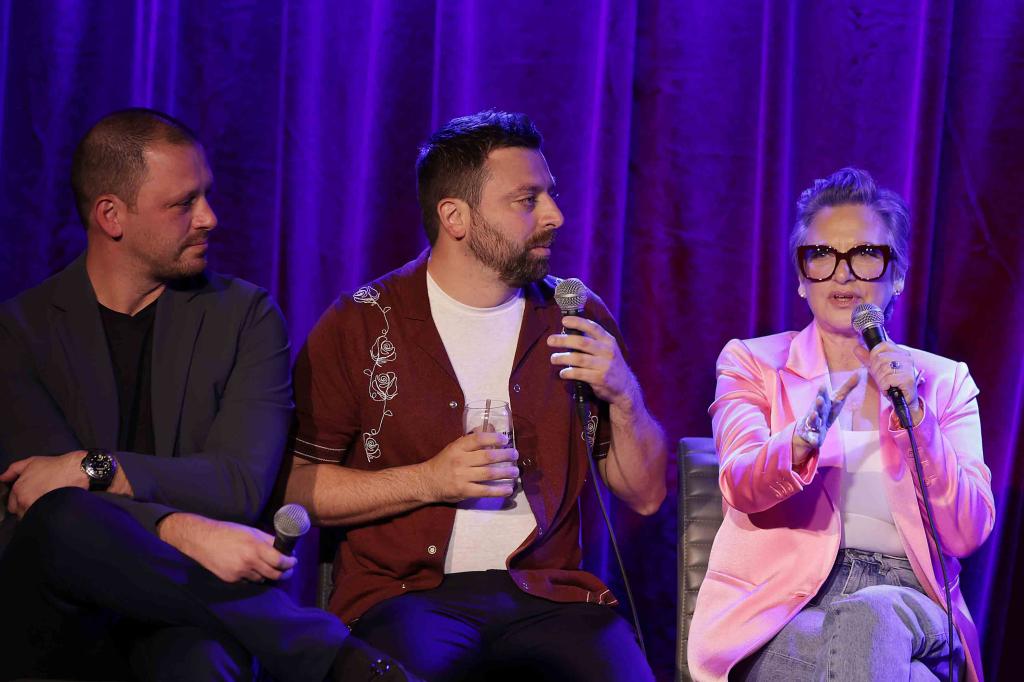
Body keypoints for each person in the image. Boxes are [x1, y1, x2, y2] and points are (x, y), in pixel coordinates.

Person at [0, 108, 413, 682]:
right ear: (111, 216)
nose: (209, 218)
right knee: (63, 517)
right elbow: (41, 504)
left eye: (207, 196)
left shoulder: (244, 316)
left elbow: (240, 485)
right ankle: (341, 663)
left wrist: (93, 468)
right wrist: (183, 528)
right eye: (183, 204)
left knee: (201, 663)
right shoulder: (19, 332)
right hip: (61, 615)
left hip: (188, 609)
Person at [284, 110, 668, 681]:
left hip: (552, 598)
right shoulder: (359, 325)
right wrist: (429, 480)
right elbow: (297, 487)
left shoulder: (575, 314)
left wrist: (624, 396)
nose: (555, 215)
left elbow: (646, 496)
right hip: (405, 598)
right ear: (455, 217)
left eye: (551, 195)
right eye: (526, 199)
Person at [687, 168, 995, 681]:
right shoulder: (752, 364)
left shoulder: (943, 381)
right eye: (822, 256)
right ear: (802, 280)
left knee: (871, 615)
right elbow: (739, 484)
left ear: (896, 274)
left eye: (866, 255)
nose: (843, 274)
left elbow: (965, 532)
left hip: (913, 602)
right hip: (783, 607)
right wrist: (800, 443)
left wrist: (916, 417)